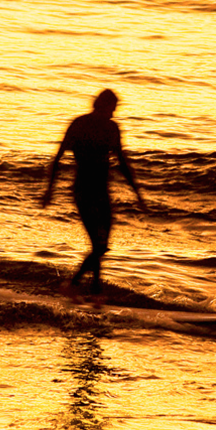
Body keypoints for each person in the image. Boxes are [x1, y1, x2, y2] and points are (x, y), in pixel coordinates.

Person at [42, 89, 146, 304]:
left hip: (102, 191)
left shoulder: (112, 128)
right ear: (102, 105)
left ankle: (91, 289)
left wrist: (137, 193)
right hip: (83, 190)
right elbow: (58, 158)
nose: (114, 113)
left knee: (102, 244)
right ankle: (83, 287)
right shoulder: (79, 124)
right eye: (112, 108)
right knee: (98, 244)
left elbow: (122, 162)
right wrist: (49, 190)